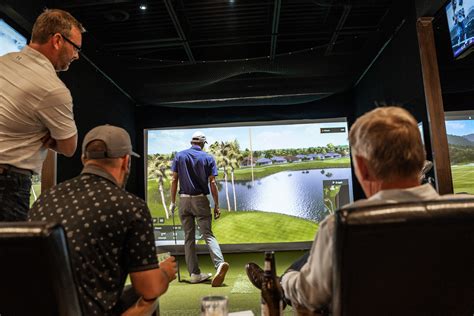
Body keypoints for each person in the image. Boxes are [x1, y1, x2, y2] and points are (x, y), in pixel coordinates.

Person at [246, 106, 472, 312]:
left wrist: (286, 282)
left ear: (363, 168)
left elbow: (309, 295)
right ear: (421, 159)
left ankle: (276, 283)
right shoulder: (466, 212)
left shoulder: (341, 225)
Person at [29, 125, 177, 315]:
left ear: (84, 159)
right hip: (88, 311)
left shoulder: (45, 199)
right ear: (126, 161)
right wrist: (164, 272)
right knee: (149, 298)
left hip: (41, 308)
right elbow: (150, 287)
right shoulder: (131, 206)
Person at [0, 9, 84, 221]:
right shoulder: (53, 89)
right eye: (75, 47)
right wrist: (49, 136)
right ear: (57, 40)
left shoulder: (3, 61)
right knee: (10, 254)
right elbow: (68, 147)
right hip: (7, 184)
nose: (76, 55)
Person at [169, 131, 229, 287]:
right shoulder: (208, 157)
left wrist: (172, 202)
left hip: (183, 201)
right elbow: (213, 183)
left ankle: (194, 274)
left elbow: (174, 179)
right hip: (200, 200)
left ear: (191, 142)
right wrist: (216, 205)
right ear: (203, 143)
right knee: (208, 234)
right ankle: (219, 264)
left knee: (189, 237)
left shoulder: (179, 156)